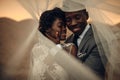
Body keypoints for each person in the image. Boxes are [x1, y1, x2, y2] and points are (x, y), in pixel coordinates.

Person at [61, 0, 106, 79]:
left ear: (86, 15)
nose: (73, 23)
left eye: (77, 17)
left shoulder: (98, 39)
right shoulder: (68, 41)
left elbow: (90, 75)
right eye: (68, 20)